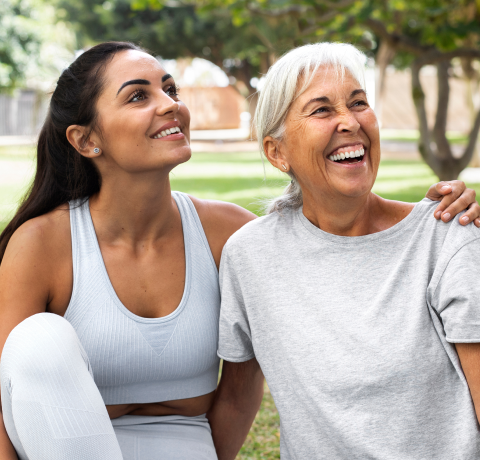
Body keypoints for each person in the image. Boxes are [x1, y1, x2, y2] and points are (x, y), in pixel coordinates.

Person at [0, 41, 476, 460]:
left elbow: (246, 381)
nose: (169, 105)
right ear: (86, 139)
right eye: (139, 95)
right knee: (39, 340)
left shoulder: (231, 237)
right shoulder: (43, 244)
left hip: (188, 449)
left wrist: (448, 219)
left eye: (170, 89)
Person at [216, 42, 480, 459]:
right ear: (276, 152)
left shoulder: (447, 233)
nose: (349, 122)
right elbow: (234, 396)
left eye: (358, 103)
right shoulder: (249, 256)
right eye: (322, 109)